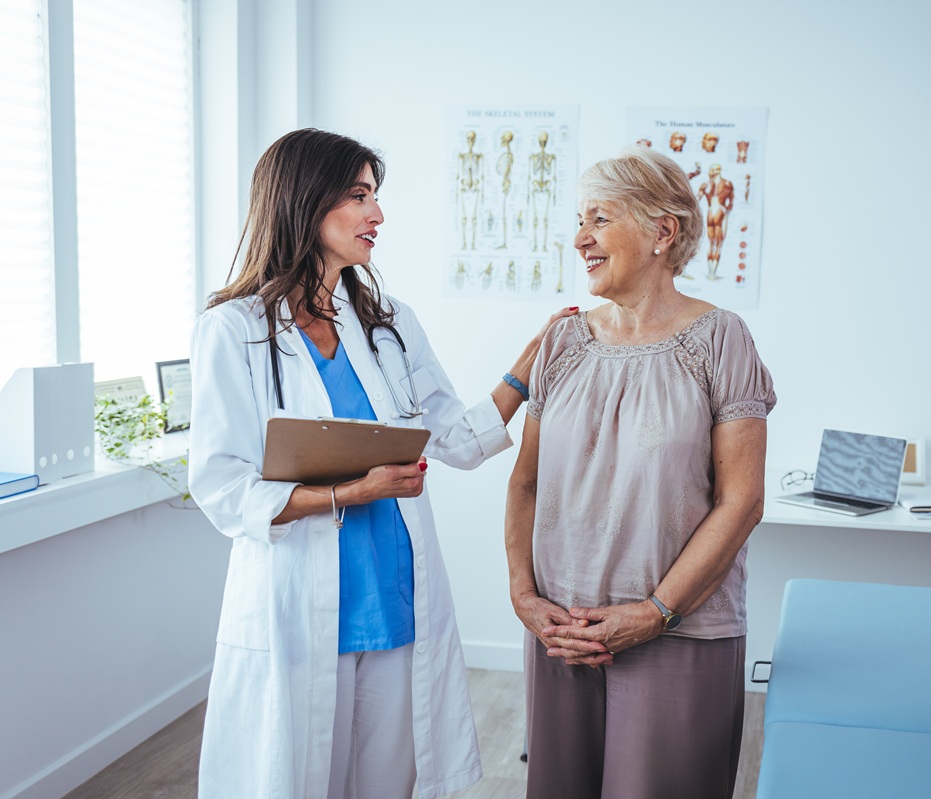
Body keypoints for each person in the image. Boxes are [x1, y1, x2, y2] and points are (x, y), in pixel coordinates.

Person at [188, 128, 576, 799]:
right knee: (298, 777)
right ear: (304, 202)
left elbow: (455, 436)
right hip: (299, 597)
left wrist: (530, 358)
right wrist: (349, 491)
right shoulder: (235, 328)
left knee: (384, 782)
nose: (377, 214)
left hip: (392, 590)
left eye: (376, 195)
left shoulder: (387, 321)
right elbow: (222, 486)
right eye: (358, 195)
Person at [505, 145, 775, 799]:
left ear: (662, 231)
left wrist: (653, 613)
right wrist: (523, 597)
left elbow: (740, 501)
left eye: (598, 218)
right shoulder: (562, 341)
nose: (579, 238)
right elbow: (525, 483)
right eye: (577, 219)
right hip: (562, 630)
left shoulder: (720, 339)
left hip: (676, 631)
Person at [698, 163, 735, 279]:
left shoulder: (706, 185)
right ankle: (712, 273)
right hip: (720, 211)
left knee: (712, 244)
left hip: (711, 212)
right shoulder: (727, 184)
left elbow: (696, 199)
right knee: (718, 244)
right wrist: (726, 211)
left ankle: (711, 272)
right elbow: (731, 202)